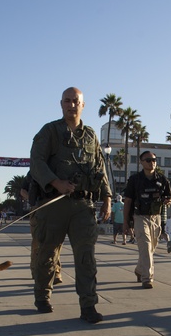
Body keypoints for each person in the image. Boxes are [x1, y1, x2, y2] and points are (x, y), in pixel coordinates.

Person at [29, 87, 112, 323]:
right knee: (47, 254)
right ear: (61, 104)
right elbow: (36, 162)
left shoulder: (91, 136)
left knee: (86, 258)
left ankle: (88, 306)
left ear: (83, 105)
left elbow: (99, 167)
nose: (71, 105)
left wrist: (106, 197)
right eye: (67, 101)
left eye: (76, 101)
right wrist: (56, 182)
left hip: (83, 206)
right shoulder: (50, 131)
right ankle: (42, 296)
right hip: (53, 205)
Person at [123, 151, 171, 289]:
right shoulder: (135, 180)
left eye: (154, 160)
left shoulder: (162, 179)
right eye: (148, 160)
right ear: (141, 162)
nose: (152, 162)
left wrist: (168, 201)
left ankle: (140, 270)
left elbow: (169, 197)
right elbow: (127, 201)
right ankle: (147, 278)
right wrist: (126, 222)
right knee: (145, 246)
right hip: (140, 217)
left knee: (151, 249)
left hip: (156, 217)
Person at [21, 171, 63, 285]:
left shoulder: (58, 168)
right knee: (37, 242)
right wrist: (33, 200)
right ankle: (35, 270)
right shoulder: (34, 171)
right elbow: (22, 190)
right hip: (38, 210)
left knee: (56, 242)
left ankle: (56, 271)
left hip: (55, 210)